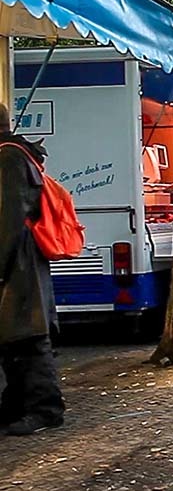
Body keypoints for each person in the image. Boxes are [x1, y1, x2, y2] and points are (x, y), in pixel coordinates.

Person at [0, 103, 66, 435]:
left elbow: (7, 219)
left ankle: (44, 409)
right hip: (21, 259)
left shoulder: (8, 158)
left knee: (28, 335)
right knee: (15, 337)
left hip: (18, 262)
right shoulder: (14, 154)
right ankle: (17, 406)